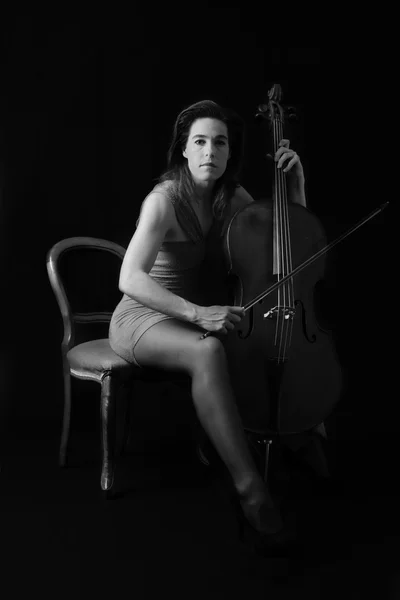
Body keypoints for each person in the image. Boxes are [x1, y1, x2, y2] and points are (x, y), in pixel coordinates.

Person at [109, 99, 307, 553]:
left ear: (229, 151)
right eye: (199, 141)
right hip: (142, 317)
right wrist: (199, 314)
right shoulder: (163, 200)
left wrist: (296, 182)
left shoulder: (228, 196)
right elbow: (129, 278)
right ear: (183, 149)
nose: (209, 151)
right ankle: (250, 489)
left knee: (261, 335)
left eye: (219, 142)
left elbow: (284, 244)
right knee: (209, 350)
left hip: (184, 316)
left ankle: (288, 434)